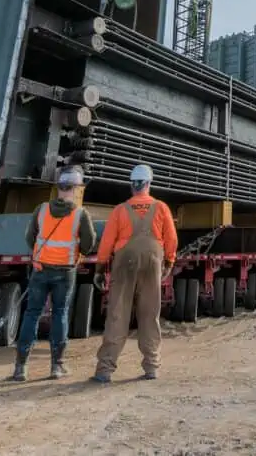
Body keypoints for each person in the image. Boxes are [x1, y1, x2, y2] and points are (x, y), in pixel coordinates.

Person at [91, 164, 177, 383]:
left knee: (118, 313)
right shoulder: (161, 208)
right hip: (153, 262)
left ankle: (105, 370)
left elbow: (107, 242)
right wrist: (168, 261)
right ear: (148, 184)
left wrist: (100, 268)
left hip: (124, 262)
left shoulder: (120, 210)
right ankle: (151, 366)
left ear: (132, 185)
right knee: (149, 314)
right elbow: (172, 239)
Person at [10, 165, 96, 382]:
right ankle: (56, 367)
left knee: (31, 314)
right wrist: (76, 252)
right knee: (60, 314)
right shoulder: (80, 214)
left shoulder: (41, 209)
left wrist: (42, 253)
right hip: (65, 272)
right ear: (76, 188)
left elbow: (30, 238)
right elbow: (89, 243)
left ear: (59, 187)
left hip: (40, 269)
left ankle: (21, 368)